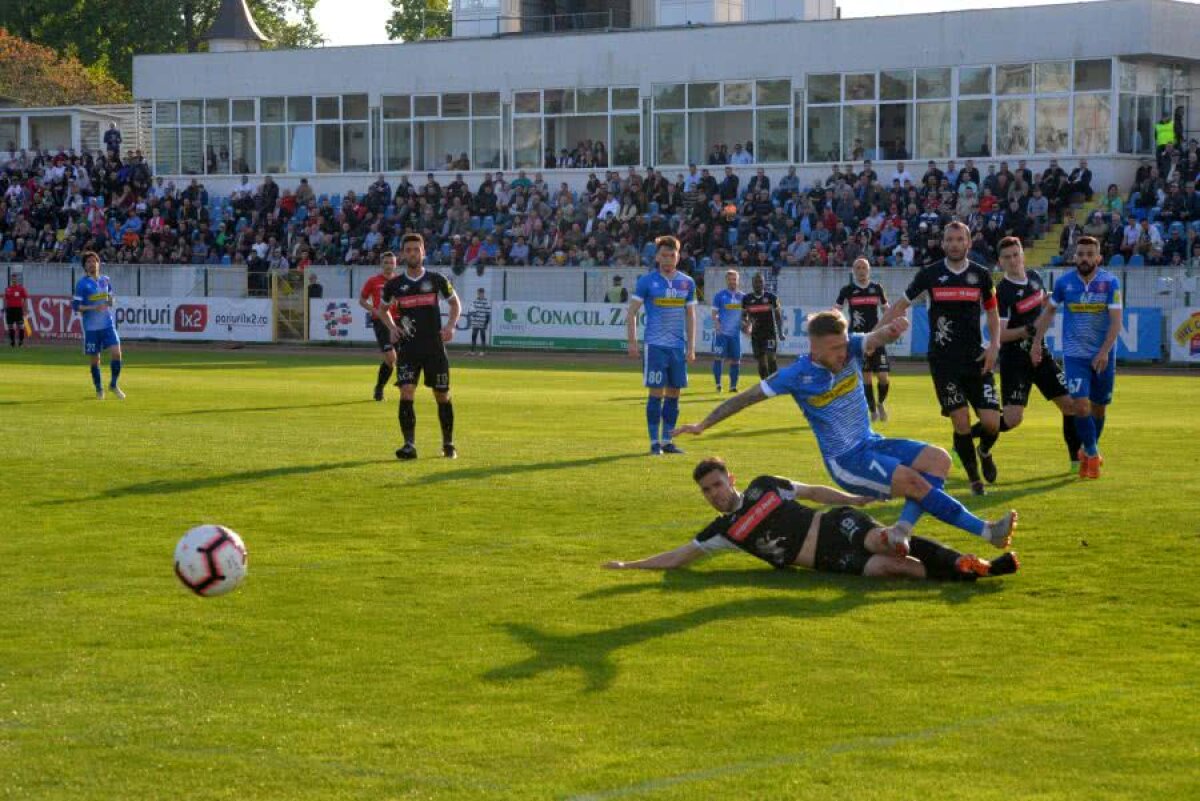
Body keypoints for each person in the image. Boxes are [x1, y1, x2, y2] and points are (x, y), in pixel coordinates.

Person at [672, 310, 1016, 554]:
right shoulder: (795, 375)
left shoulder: (850, 345)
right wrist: (703, 424)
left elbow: (873, 338)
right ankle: (988, 532)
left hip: (870, 442)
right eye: (835, 349)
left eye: (843, 346)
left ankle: (900, 531)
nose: (843, 352)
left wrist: (891, 331)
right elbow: (745, 399)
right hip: (847, 461)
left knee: (938, 459)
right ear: (815, 349)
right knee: (915, 482)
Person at [604, 457, 1019, 580]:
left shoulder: (763, 483)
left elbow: (812, 492)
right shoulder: (724, 531)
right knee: (896, 569)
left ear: (731, 478)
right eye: (707, 491)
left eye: (717, 484)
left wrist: (854, 498)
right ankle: (972, 569)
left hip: (835, 524)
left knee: (890, 542)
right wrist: (630, 564)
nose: (715, 494)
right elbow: (679, 557)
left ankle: (982, 560)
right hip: (823, 560)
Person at [875, 221, 1002, 496]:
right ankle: (974, 481)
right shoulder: (930, 274)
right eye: (950, 239)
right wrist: (873, 336)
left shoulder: (981, 275)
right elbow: (900, 305)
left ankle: (984, 450)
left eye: (960, 239)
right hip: (943, 362)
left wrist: (994, 345)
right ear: (943, 243)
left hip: (976, 358)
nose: (954, 244)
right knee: (961, 421)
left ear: (968, 243)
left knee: (992, 422)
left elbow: (992, 313)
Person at [987, 237, 1082, 471]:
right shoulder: (1002, 292)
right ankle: (967, 439)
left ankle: (1075, 461)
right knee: (1012, 419)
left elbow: (1041, 302)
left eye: (1015, 255)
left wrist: (1052, 299)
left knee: (1070, 405)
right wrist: (1027, 331)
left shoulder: (1035, 278)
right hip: (1015, 359)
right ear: (1000, 262)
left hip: (1039, 352)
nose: (1012, 260)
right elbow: (1000, 335)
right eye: (1007, 257)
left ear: (1023, 255)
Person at [1030, 237, 1120, 479]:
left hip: (1103, 357)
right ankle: (1091, 453)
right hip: (1074, 356)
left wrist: (1103, 352)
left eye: (1090, 254)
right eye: (1081, 254)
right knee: (1081, 406)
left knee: (1099, 409)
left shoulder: (1111, 283)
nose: (1085, 258)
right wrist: (1037, 342)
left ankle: (1088, 449)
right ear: (1074, 257)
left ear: (1098, 258)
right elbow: (1049, 312)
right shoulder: (1064, 283)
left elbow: (1116, 322)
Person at [379, 234, 462, 460]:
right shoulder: (394, 285)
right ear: (403, 254)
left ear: (423, 252)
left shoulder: (437, 279)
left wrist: (451, 326)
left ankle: (448, 444)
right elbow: (382, 309)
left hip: (434, 348)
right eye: (408, 250)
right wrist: (392, 327)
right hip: (408, 349)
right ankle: (409, 445)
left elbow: (455, 303)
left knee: (442, 395)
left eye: (417, 249)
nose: (413, 253)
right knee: (406, 392)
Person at [627, 235, 697, 456]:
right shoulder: (647, 281)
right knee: (656, 394)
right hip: (655, 346)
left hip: (677, 347)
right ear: (657, 257)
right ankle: (654, 442)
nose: (668, 259)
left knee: (674, 394)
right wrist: (632, 342)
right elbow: (631, 313)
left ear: (679, 256)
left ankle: (668, 441)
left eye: (672, 255)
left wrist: (691, 347)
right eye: (664, 255)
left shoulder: (687, 282)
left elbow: (691, 315)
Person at [835, 258, 890, 422]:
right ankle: (872, 410)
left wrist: (890, 322)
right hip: (858, 340)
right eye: (858, 267)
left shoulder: (877, 288)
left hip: (877, 337)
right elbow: (836, 311)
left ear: (869, 270)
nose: (861, 270)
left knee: (883, 377)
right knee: (866, 377)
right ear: (853, 270)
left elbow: (887, 310)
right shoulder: (847, 290)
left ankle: (880, 403)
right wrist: (840, 328)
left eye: (864, 267)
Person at [71, 251, 124, 400]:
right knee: (95, 360)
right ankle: (99, 389)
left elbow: (111, 297)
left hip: (108, 324)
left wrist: (111, 301)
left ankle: (113, 385)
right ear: (84, 266)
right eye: (88, 262)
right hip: (92, 328)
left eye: (94, 261)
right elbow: (76, 306)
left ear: (98, 263)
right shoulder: (82, 284)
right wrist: (92, 308)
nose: (92, 263)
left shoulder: (105, 280)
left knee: (117, 352)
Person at [359, 252, 399, 402]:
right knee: (391, 357)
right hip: (381, 321)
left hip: (398, 322)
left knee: (394, 361)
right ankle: (379, 388)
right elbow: (362, 300)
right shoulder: (373, 281)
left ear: (395, 265)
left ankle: (381, 387)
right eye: (386, 262)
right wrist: (374, 310)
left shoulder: (399, 281)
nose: (389, 265)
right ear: (381, 264)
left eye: (391, 263)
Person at [741, 272, 784, 379]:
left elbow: (778, 316)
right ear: (752, 284)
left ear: (764, 283)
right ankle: (765, 383)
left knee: (771, 357)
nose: (758, 284)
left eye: (760, 282)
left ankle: (774, 382)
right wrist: (747, 324)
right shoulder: (746, 299)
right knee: (761, 362)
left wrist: (780, 332)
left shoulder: (772, 297)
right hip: (756, 335)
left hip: (769, 333)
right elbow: (744, 316)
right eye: (756, 282)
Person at [710, 269, 744, 393]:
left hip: (735, 335)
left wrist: (747, 325)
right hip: (722, 334)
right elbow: (714, 313)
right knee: (718, 358)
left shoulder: (743, 297)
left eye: (734, 279)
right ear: (726, 280)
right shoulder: (720, 295)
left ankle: (733, 386)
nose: (732, 282)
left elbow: (746, 315)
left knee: (736, 359)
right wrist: (717, 324)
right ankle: (718, 384)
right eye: (730, 279)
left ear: (738, 280)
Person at [5, 274, 29, 347]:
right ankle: (12, 342)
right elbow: (6, 299)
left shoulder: (21, 289)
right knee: (10, 326)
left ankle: (21, 342)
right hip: (10, 310)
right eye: (13, 279)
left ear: (17, 280)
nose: (14, 280)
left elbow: (25, 299)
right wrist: (5, 308)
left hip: (18, 309)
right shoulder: (8, 289)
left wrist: (26, 309)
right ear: (11, 280)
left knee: (21, 326)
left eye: (15, 279)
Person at [468, 287, 491, 356]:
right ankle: (472, 351)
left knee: (482, 337)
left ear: (483, 293)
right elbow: (470, 311)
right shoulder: (474, 301)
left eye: (481, 293)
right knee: (473, 337)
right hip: (475, 323)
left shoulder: (486, 302)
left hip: (482, 323)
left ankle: (483, 351)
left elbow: (488, 313)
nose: (479, 294)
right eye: (478, 293)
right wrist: (472, 313)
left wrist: (486, 323)